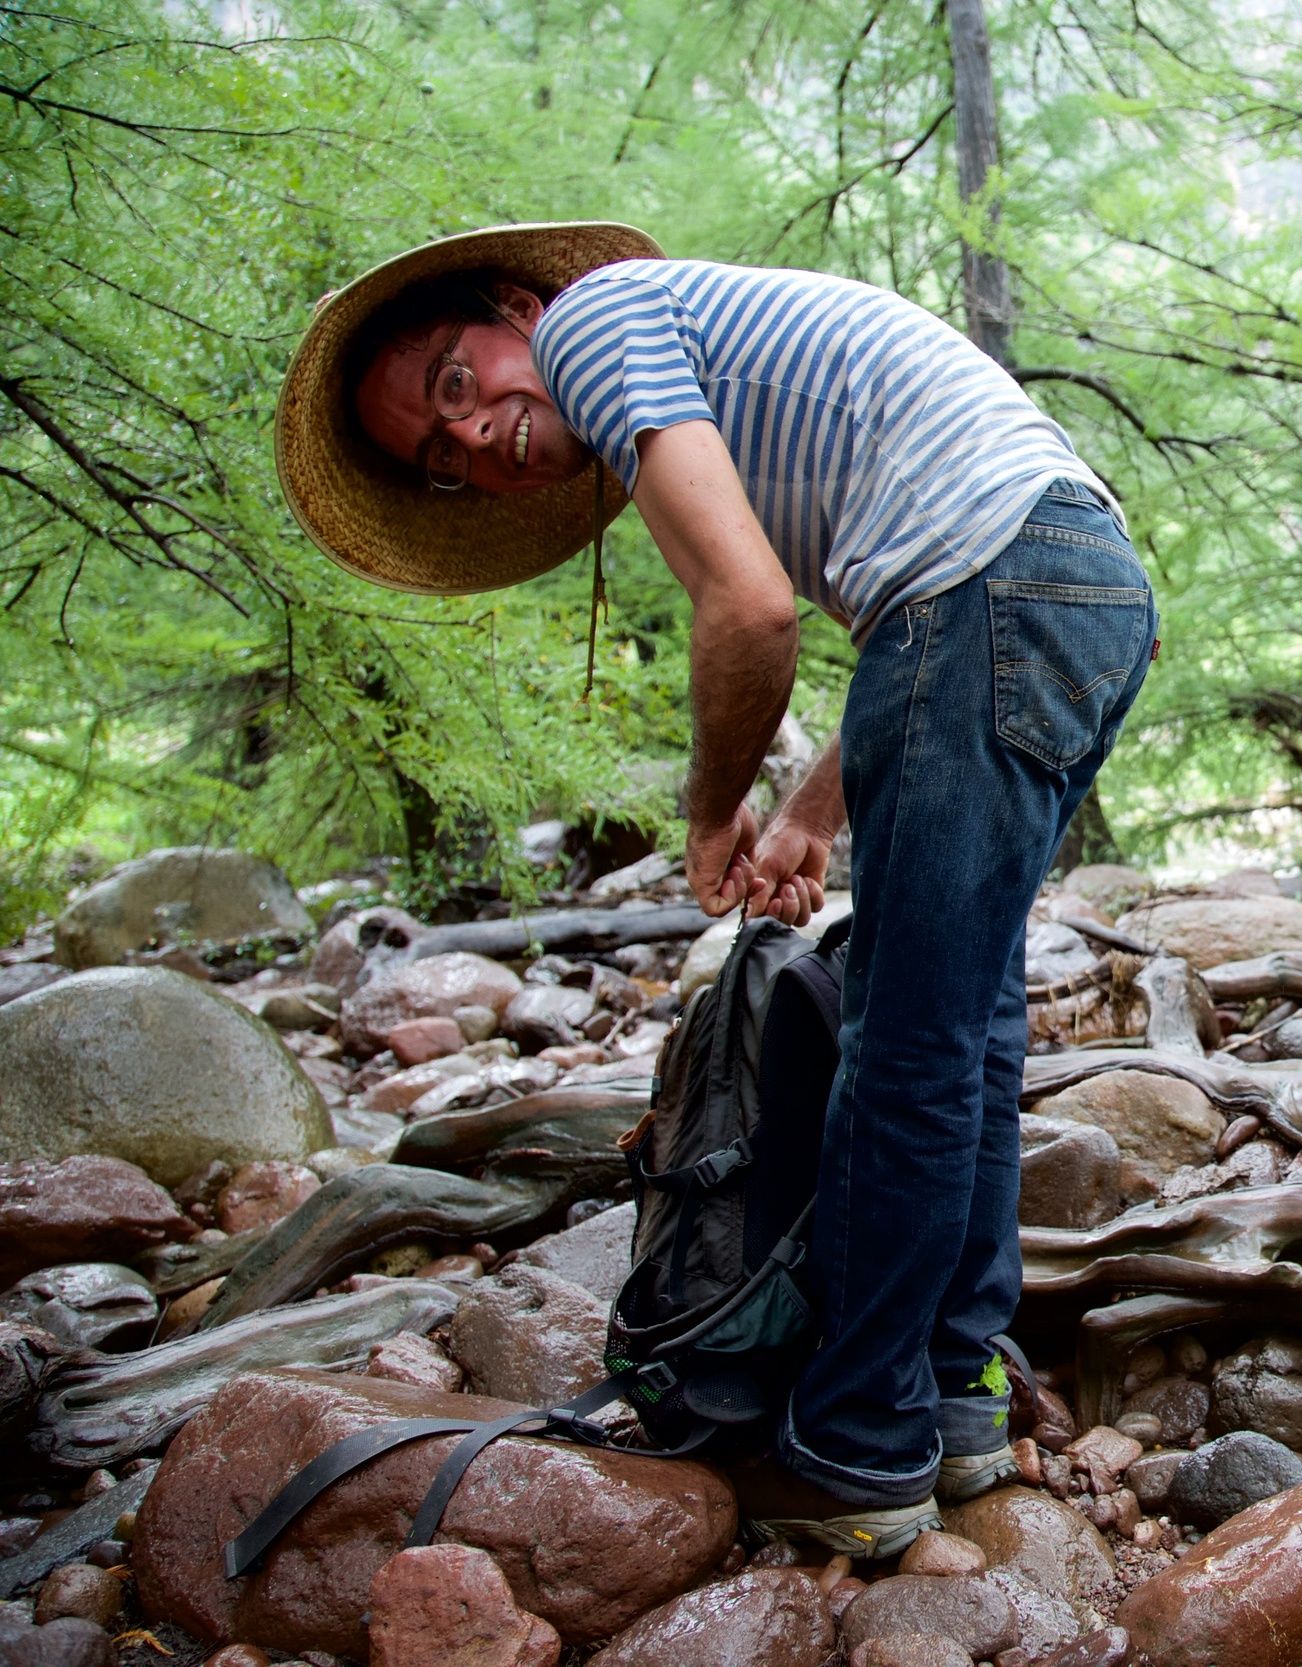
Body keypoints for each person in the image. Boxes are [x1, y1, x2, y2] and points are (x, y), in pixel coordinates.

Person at [275, 222, 1156, 1554]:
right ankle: (957, 1393)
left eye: (457, 386)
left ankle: (859, 1444)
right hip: (1074, 584)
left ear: (519, 308)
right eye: (442, 457)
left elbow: (750, 610)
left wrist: (709, 812)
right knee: (965, 1027)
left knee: (907, 1049)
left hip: (985, 591)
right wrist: (809, 811)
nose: (477, 440)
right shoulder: (699, 350)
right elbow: (898, 595)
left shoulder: (593, 323)